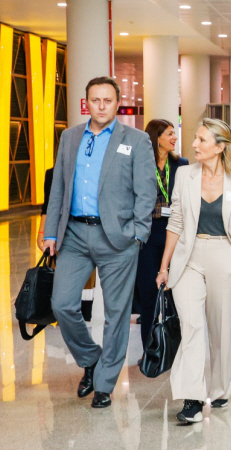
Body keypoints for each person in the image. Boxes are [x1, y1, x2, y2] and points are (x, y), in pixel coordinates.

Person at [42, 76, 156, 408]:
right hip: (75, 235)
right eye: (95, 100)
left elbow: (146, 191)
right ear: (86, 103)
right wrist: (51, 232)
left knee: (117, 313)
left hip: (118, 237)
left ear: (117, 103)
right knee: (62, 304)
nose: (101, 106)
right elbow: (58, 187)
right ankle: (91, 359)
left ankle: (105, 384)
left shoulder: (136, 140)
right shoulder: (70, 136)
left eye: (108, 100)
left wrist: (138, 233)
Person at [155, 118, 231, 423]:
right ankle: (193, 398)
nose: (194, 144)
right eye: (196, 139)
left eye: (202, 140)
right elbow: (175, 221)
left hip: (225, 254)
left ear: (220, 146)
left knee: (220, 328)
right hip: (189, 256)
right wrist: (164, 266)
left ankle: (220, 387)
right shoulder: (185, 174)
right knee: (191, 326)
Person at [134, 119, 188, 359]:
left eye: (174, 133)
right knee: (148, 295)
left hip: (175, 233)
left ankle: (176, 350)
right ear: (156, 138)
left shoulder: (181, 165)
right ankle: (149, 351)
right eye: (169, 134)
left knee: (177, 295)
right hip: (148, 234)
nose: (174, 138)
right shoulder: (140, 164)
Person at [38, 168, 95, 323]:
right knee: (59, 269)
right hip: (61, 230)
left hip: (87, 228)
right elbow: (48, 205)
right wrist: (42, 232)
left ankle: (84, 312)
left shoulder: (89, 170)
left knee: (87, 274)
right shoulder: (53, 173)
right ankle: (58, 311)